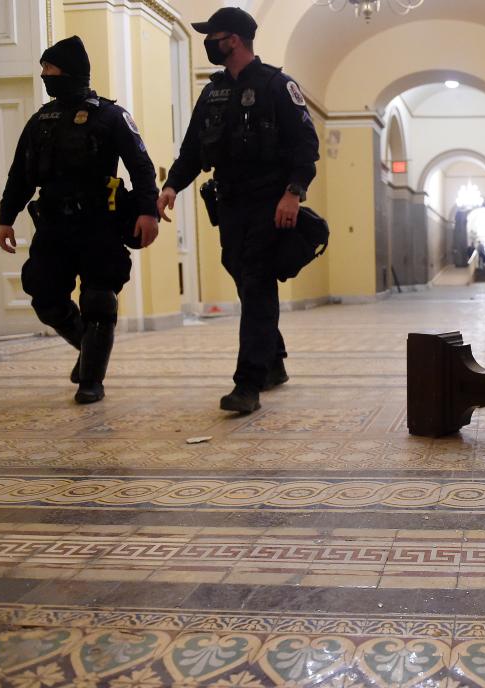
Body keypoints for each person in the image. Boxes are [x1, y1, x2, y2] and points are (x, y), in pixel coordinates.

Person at [158, 7, 320, 414]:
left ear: (233, 39)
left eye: (213, 35)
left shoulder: (277, 86)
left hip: (269, 202)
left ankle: (248, 383)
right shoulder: (212, 92)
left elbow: (306, 147)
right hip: (229, 205)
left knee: (256, 281)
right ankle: (275, 360)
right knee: (241, 273)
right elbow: (193, 149)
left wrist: (293, 193)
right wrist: (171, 186)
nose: (208, 42)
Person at [0, 35, 159, 404]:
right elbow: (19, 175)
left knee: (99, 299)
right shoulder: (41, 120)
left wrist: (148, 211)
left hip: (99, 223)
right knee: (44, 297)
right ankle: (89, 348)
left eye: (49, 68)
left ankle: (91, 380)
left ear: (68, 71)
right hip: (53, 225)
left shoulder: (111, 116)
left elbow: (141, 168)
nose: (44, 75)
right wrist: (7, 218)